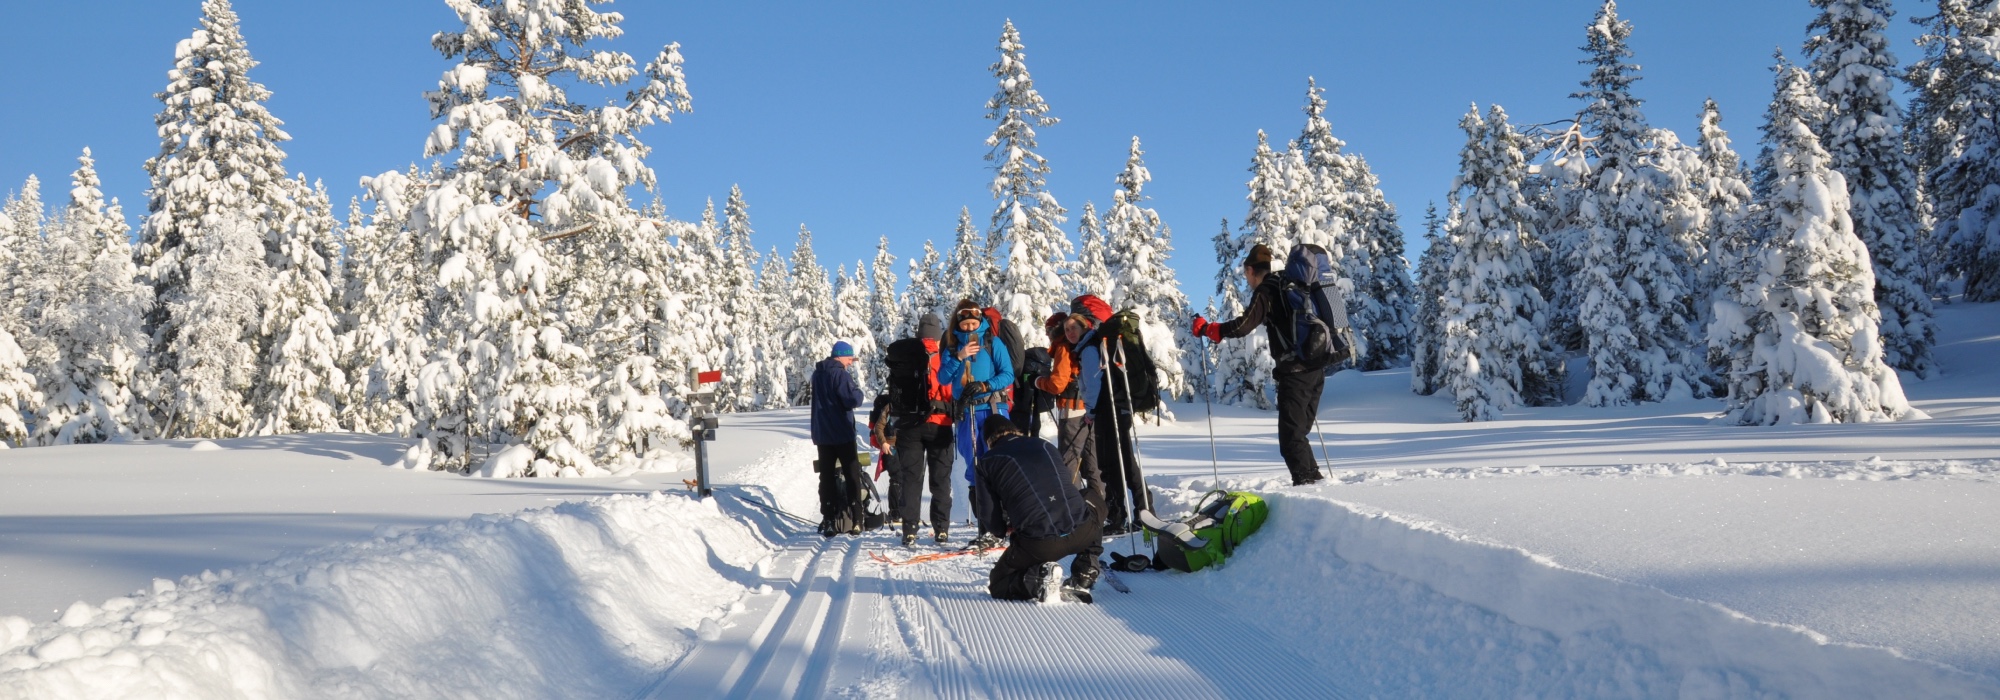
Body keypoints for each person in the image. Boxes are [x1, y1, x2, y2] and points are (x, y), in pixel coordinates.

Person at [1191, 243, 1327, 486]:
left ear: (1251, 270)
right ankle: (1316, 484)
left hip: (1295, 373)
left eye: (1246, 274)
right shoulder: (1289, 284)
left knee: (1291, 439)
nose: (1247, 279)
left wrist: (1210, 329)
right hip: (1315, 369)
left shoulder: (1267, 290)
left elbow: (1244, 325)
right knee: (1298, 435)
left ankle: (1309, 490)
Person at [974, 415, 1102, 603]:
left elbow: (989, 515)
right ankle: (1086, 567)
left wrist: (1003, 528)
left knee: (998, 583)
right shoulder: (1044, 445)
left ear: (989, 441)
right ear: (1016, 430)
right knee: (1091, 498)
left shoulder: (986, 462)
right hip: (1083, 530)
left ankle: (1039, 578)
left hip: (1039, 544)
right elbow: (1062, 486)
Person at [937, 300, 1014, 549]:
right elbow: (943, 377)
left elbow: (1008, 374)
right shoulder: (951, 347)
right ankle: (987, 527)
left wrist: (985, 385)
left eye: (973, 323)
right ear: (958, 324)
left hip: (992, 409)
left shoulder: (993, 343)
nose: (970, 327)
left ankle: (1007, 523)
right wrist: (959, 357)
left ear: (980, 322)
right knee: (975, 466)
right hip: (966, 413)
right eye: (965, 323)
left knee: (999, 463)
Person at [1070, 293, 1145, 534]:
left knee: (1112, 465)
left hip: (1106, 412)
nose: (1071, 333)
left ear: (1086, 324)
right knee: (1125, 463)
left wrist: (1090, 411)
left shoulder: (1091, 348)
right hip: (1118, 409)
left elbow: (1094, 385)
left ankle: (1119, 517)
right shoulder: (1099, 344)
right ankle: (1143, 512)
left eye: (1075, 327)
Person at [884, 313, 958, 547]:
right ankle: (941, 529)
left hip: (908, 427)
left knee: (911, 479)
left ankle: (909, 530)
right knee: (940, 481)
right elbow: (950, 392)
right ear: (938, 336)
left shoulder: (906, 357)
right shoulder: (944, 358)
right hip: (940, 425)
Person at [1034, 312, 1097, 495]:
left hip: (1072, 409)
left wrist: (1038, 382)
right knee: (1093, 460)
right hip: (1091, 407)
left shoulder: (1063, 346)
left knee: (1069, 459)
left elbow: (1057, 384)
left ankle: (1073, 506)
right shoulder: (1086, 342)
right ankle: (1099, 506)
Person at [809, 340, 867, 536]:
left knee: (826, 478)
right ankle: (857, 519)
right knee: (852, 475)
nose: (851, 363)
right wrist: (859, 392)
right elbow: (852, 399)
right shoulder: (840, 374)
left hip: (822, 434)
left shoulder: (818, 374)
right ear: (841, 356)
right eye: (850, 358)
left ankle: (829, 519)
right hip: (842, 433)